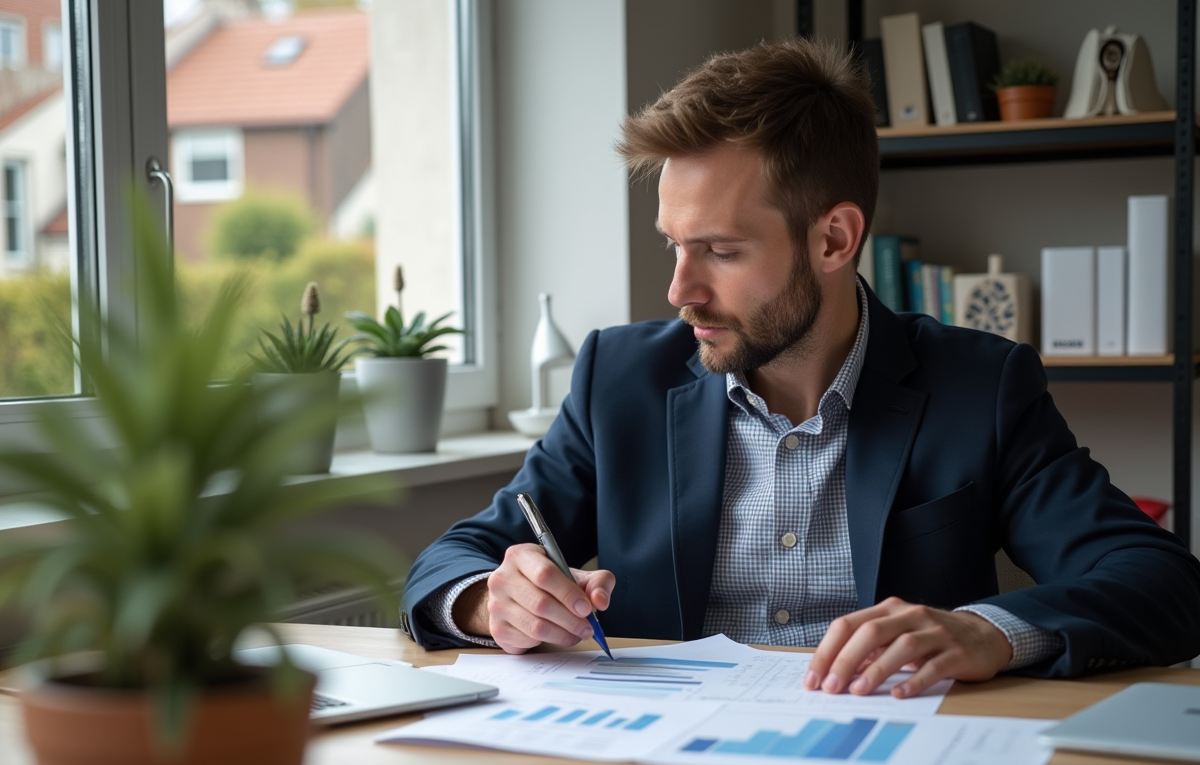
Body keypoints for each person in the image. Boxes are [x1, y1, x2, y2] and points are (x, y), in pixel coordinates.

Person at [401, 38, 1200, 698]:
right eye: (673, 245)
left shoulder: (979, 387)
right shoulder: (620, 378)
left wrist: (984, 631)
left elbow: (1161, 581)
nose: (680, 290)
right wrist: (488, 602)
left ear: (833, 239)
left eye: (720, 250)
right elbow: (453, 559)